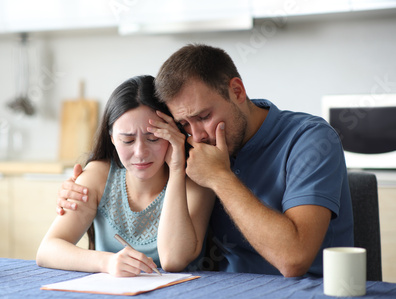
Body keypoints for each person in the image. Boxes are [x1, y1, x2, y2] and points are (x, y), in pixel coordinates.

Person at [56, 44, 354, 278]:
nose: (197, 134)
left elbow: (294, 260)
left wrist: (220, 177)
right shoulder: (193, 149)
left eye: (204, 117)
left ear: (237, 91)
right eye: (184, 124)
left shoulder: (310, 140)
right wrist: (77, 189)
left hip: (310, 297)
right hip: (221, 294)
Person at [37, 75, 214, 277]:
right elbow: (47, 250)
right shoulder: (98, 176)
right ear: (112, 138)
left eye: (153, 138)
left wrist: (176, 168)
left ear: (174, 134)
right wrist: (107, 262)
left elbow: (174, 260)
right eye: (128, 141)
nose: (140, 152)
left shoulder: (196, 180)